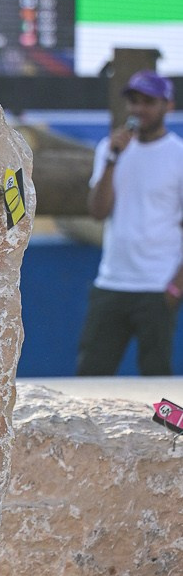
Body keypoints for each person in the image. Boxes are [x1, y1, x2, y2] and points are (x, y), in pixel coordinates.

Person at [77, 69, 183, 375]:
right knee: (90, 376)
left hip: (158, 284)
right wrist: (112, 160)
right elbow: (98, 211)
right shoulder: (109, 149)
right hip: (112, 282)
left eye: (149, 102)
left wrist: (176, 287)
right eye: (134, 101)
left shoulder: (178, 156)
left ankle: (164, 427)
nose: (139, 109)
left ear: (168, 107)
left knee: (157, 379)